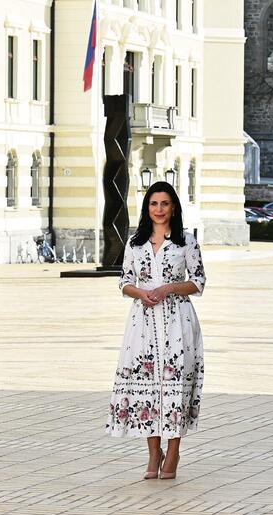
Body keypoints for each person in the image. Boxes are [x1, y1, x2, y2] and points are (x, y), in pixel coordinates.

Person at [106, 181, 205, 480]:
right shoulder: (135, 243)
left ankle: (173, 450)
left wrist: (169, 288)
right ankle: (153, 452)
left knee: (175, 386)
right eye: (153, 204)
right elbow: (124, 281)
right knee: (148, 385)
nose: (159, 210)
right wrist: (140, 293)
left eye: (164, 204)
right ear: (147, 208)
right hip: (142, 323)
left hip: (178, 320)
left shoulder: (186, 241)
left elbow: (198, 282)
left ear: (173, 206)